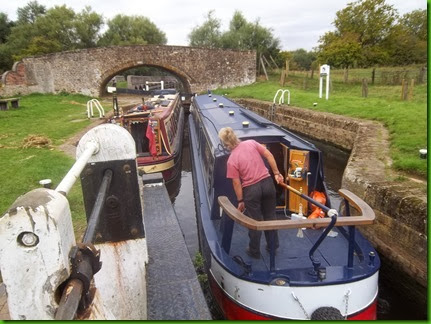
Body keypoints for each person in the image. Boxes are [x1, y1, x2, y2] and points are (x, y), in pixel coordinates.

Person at [218, 127, 283, 259]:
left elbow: (236, 183)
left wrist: (240, 201)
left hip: (251, 190)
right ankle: (272, 247)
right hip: (268, 184)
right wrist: (276, 173)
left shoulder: (231, 160)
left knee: (255, 221)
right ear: (235, 136)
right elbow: (269, 155)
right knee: (271, 217)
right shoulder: (251, 143)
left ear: (225, 144)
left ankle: (254, 251)